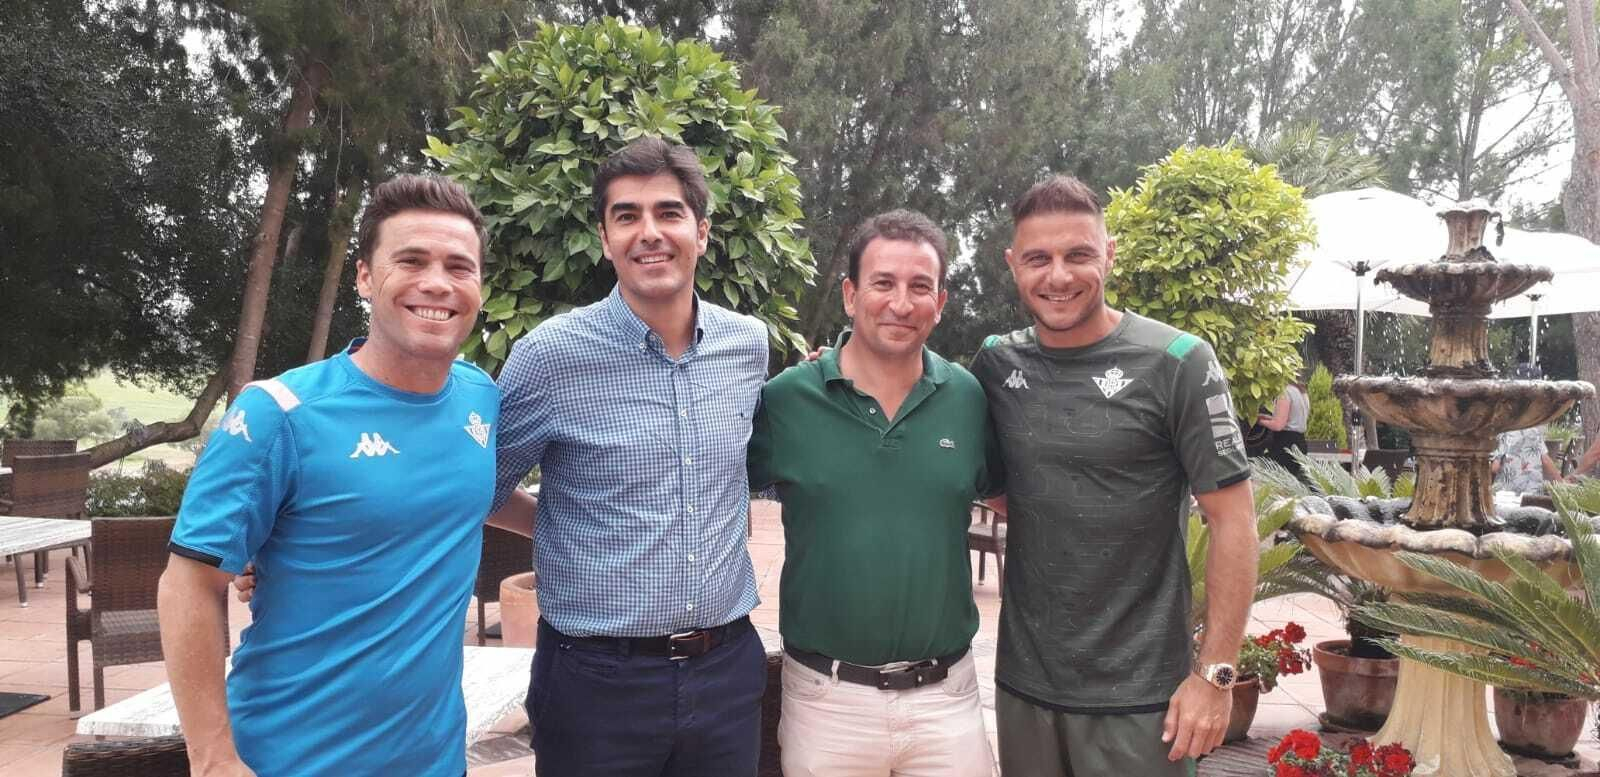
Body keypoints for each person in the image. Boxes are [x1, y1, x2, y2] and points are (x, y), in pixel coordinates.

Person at [158, 175, 499, 777]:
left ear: (478, 284)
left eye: (458, 266)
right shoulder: (277, 414)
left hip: (435, 759)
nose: (437, 283)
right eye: (411, 260)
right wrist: (212, 760)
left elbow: (465, 500)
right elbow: (189, 583)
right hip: (293, 759)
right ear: (365, 276)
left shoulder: (479, 396)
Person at [485, 136, 769, 776]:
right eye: (627, 215)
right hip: (595, 682)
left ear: (702, 229)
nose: (650, 233)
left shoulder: (748, 346)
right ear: (605, 236)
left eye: (669, 213)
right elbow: (480, 486)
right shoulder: (551, 357)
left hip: (726, 669)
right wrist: (558, 529)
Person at [968, 175, 1259, 776]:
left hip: (1145, 695)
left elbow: (1234, 521)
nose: (1058, 276)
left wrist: (1216, 675)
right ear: (1012, 265)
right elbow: (998, 487)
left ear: (1110, 253)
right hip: (1025, 685)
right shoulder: (997, 362)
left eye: (1078, 254)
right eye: (1038, 258)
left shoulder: (1179, 362)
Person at [748, 210, 1000, 777]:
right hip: (826, 699)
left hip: (947, 699)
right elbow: (707, 494)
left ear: (941, 301)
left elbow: (1011, 496)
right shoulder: (785, 400)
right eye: (883, 283)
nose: (901, 303)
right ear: (850, 294)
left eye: (920, 287)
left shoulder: (968, 398)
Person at [1492, 364, 1562, 495]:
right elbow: (1544, 459)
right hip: (1533, 493)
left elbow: (1494, 467)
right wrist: (1563, 486)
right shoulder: (1533, 423)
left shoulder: (1505, 423)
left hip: (1506, 494)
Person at [1259, 381, 1310, 479]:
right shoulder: (1302, 392)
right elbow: (1291, 419)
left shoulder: (1285, 392)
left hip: (1285, 445)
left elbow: (1278, 425)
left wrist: (1259, 421)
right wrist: (1268, 418)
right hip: (1300, 443)